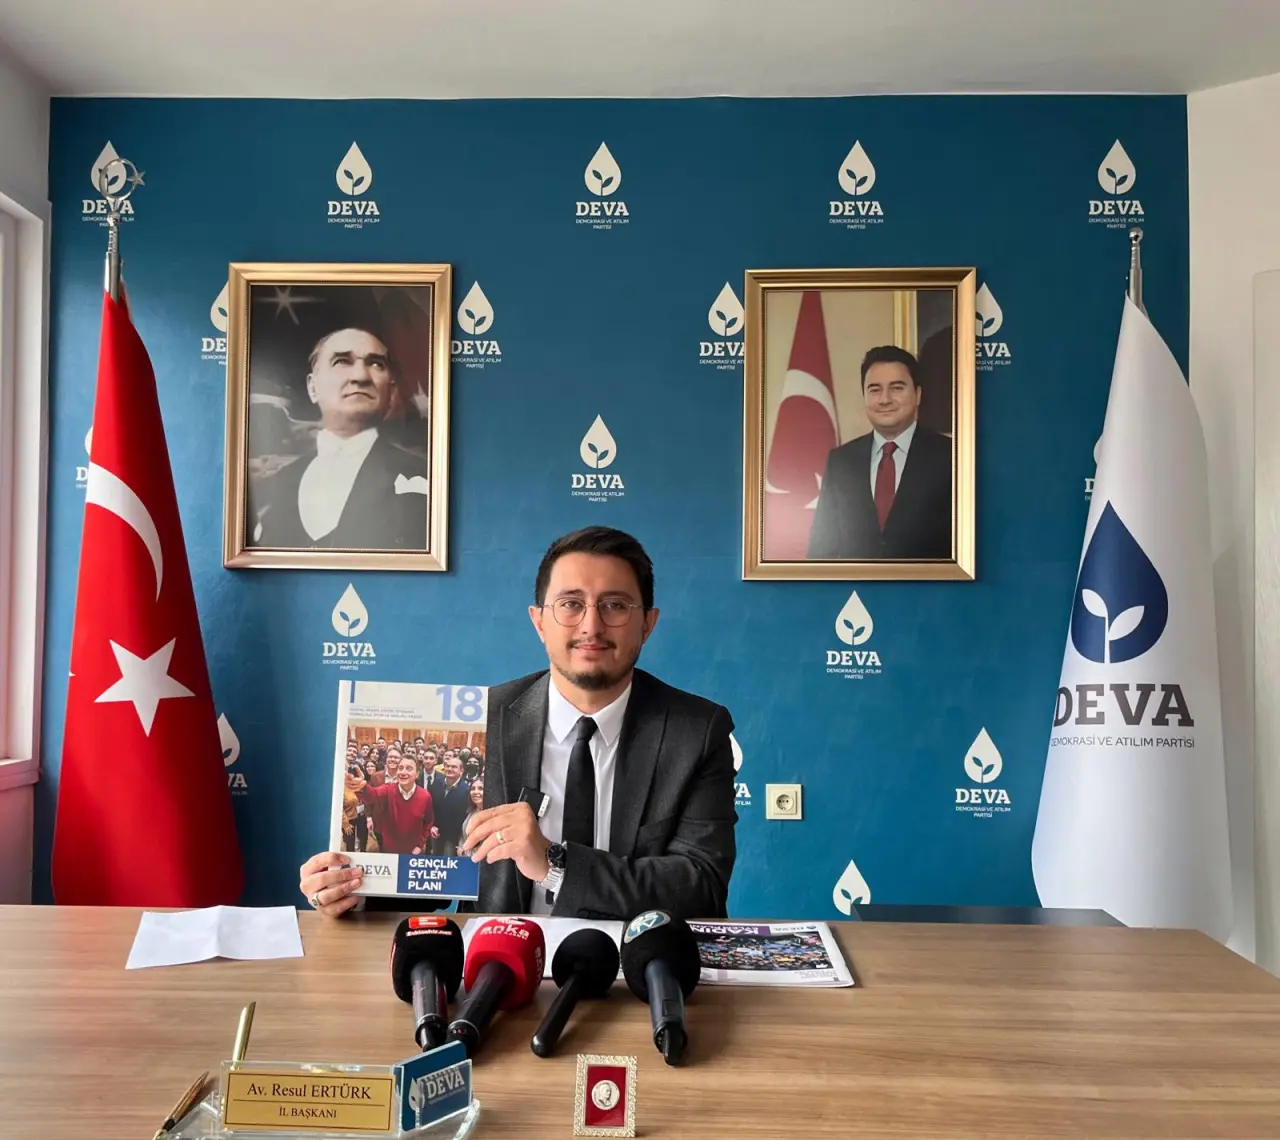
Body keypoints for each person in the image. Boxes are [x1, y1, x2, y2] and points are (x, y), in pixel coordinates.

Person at [300, 526, 738, 921]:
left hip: (641, 966)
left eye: (615, 605)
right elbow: (436, 878)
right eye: (571, 604)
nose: (591, 625)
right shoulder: (486, 719)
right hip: (504, 968)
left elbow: (700, 887)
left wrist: (554, 864)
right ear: (539, 622)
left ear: (647, 624)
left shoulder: (696, 732)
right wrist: (354, 890)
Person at [248, 326, 429, 550]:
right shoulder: (279, 483)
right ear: (313, 388)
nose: (361, 377)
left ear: (391, 393)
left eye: (376, 364)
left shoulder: (422, 475)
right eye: (341, 362)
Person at [807, 345, 952, 560]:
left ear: (918, 394)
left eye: (897, 388)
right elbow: (821, 551)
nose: (884, 399)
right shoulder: (841, 462)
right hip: (854, 584)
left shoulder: (952, 458)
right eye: (874, 390)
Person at [345, 751, 434, 856]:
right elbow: (372, 796)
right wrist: (361, 787)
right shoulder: (388, 789)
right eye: (400, 768)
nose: (403, 772)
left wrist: (420, 845)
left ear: (417, 774)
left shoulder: (425, 796)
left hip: (413, 850)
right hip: (389, 849)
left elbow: (428, 822)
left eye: (409, 769)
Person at [428, 753, 471, 856]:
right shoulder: (436, 783)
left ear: (461, 771)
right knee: (435, 861)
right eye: (447, 766)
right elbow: (430, 808)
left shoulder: (466, 790)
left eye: (454, 767)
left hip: (452, 838)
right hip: (435, 833)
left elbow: (463, 816)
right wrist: (432, 826)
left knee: (448, 862)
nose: (449, 769)